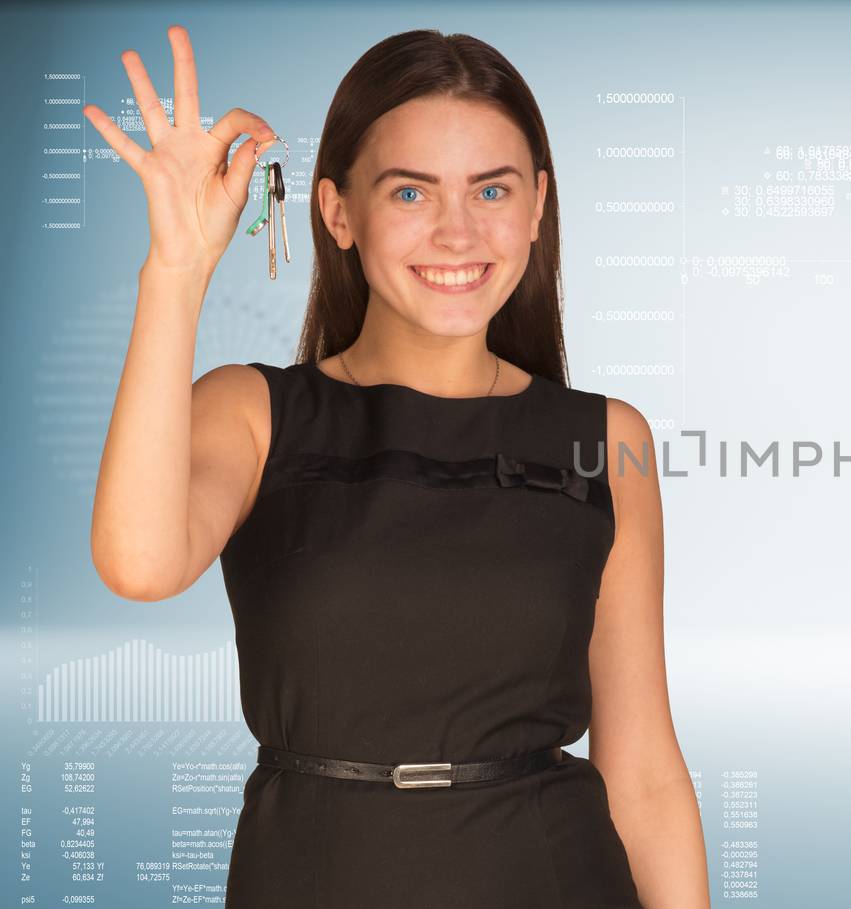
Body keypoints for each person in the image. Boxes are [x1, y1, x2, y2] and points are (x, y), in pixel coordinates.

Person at [83, 24, 709, 908]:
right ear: (339, 211)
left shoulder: (610, 440)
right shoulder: (252, 412)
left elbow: (643, 773)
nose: (458, 232)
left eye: (491, 189)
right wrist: (177, 271)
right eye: (411, 191)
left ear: (537, 205)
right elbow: (139, 563)